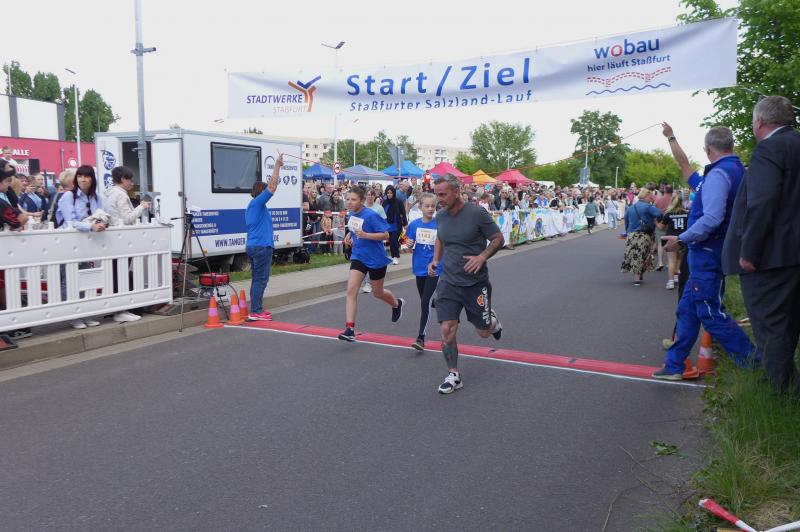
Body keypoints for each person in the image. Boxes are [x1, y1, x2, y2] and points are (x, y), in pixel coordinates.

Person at [653, 123, 757, 380]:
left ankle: (757, 365)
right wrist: (671, 137)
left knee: (710, 313)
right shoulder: (734, 171)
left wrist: (681, 239)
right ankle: (674, 365)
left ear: (708, 149)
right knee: (688, 309)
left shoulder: (718, 175)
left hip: (707, 253)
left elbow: (712, 218)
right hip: (712, 252)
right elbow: (684, 164)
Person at [723, 96, 800, 395]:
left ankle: (782, 393)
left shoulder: (769, 148)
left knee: (770, 325)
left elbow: (763, 201)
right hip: (792, 254)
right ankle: (783, 381)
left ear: (759, 121)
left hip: (769, 257)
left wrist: (749, 251)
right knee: (789, 323)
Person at [429, 174, 504, 394]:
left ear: (456, 191)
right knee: (447, 329)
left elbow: (498, 238)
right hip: (449, 281)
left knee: (483, 332)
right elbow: (440, 237)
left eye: (443, 194)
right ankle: (453, 374)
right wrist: (435, 260)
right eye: (436, 194)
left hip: (475, 283)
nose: (439, 199)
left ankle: (492, 322)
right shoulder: (441, 215)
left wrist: (482, 257)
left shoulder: (477, 213)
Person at [338, 186, 403, 341]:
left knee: (377, 293)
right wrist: (349, 236)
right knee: (351, 290)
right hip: (359, 256)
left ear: (361, 201)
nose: (349, 202)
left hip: (376, 258)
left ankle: (397, 304)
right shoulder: (351, 214)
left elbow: (386, 235)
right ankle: (350, 329)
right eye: (347, 199)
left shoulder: (371, 215)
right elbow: (355, 229)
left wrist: (366, 235)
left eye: (353, 200)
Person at [101, 166, 155, 323]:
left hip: (111, 238)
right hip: (123, 239)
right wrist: (142, 206)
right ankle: (122, 310)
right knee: (122, 274)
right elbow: (127, 218)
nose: (132, 183)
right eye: (130, 179)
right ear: (123, 179)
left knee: (114, 275)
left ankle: (116, 308)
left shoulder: (108, 194)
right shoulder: (121, 195)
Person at [59, 166, 108, 329]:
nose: (83, 179)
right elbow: (70, 222)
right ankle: (72, 315)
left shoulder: (96, 197)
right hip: (68, 242)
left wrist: (101, 223)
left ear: (92, 179)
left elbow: (100, 214)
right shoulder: (68, 196)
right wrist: (90, 227)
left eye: (86, 176)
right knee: (68, 279)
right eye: (80, 176)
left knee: (85, 278)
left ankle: (85, 314)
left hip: (87, 242)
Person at [245, 154, 283, 321]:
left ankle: (256, 309)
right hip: (261, 247)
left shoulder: (254, 206)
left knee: (257, 279)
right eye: (265, 189)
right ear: (261, 192)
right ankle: (255, 311)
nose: (268, 191)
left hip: (254, 246)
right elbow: (273, 186)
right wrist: (277, 165)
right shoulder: (258, 203)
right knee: (261, 280)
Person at [405, 193, 441, 351]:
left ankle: (421, 337)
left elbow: (444, 245)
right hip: (419, 266)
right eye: (427, 206)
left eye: (433, 206)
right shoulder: (414, 225)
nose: (430, 209)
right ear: (420, 207)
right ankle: (436, 300)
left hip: (434, 267)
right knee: (425, 300)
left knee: (424, 302)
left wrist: (436, 262)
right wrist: (408, 244)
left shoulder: (439, 224)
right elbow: (408, 244)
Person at [621, 189, 662, 286]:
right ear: (646, 196)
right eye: (650, 197)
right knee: (643, 255)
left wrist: (628, 232)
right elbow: (660, 214)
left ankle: (638, 275)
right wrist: (654, 221)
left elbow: (626, 221)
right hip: (644, 234)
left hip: (631, 234)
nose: (651, 199)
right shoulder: (648, 207)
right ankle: (637, 277)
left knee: (635, 255)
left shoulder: (631, 207)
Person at [383, 185, 407, 265]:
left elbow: (403, 213)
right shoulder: (385, 202)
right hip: (387, 226)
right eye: (388, 193)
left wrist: (405, 224)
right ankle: (393, 256)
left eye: (391, 193)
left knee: (394, 241)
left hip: (396, 225)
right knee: (390, 241)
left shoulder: (398, 202)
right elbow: (382, 214)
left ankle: (396, 256)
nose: (389, 194)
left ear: (393, 193)